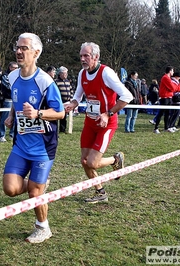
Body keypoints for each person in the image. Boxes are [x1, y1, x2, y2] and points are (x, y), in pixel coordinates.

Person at [2, 33, 65, 243]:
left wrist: (38, 114)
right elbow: (15, 100)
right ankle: (38, 184)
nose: (19, 51)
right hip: (20, 145)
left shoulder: (45, 81)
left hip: (42, 148)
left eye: (24, 48)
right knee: (10, 188)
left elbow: (60, 113)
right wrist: (12, 115)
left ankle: (43, 228)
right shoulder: (12, 77)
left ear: (36, 53)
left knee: (34, 194)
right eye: (17, 47)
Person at [64, 42, 133, 204]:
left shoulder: (106, 73)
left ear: (96, 57)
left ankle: (115, 160)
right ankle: (100, 192)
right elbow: (78, 96)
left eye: (86, 56)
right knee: (84, 161)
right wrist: (72, 104)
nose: (82, 59)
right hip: (90, 123)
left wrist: (108, 114)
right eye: (81, 55)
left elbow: (127, 96)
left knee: (93, 163)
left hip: (106, 124)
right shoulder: (82, 73)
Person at [153, 66, 180, 134]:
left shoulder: (168, 78)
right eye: (172, 71)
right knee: (161, 113)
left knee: (167, 113)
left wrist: (179, 86)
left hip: (169, 97)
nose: (173, 72)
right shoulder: (165, 77)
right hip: (164, 97)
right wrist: (178, 86)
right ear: (170, 71)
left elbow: (175, 88)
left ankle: (166, 127)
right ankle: (156, 128)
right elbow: (172, 88)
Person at [0, 62, 18, 142]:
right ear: (10, 68)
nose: (17, 69)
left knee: (15, 117)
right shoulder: (5, 76)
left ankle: (12, 134)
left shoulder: (17, 76)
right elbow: (10, 87)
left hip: (16, 99)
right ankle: (2, 135)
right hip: (8, 99)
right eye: (15, 68)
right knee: (5, 118)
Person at [55, 66, 73, 133]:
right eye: (64, 74)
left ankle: (63, 129)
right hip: (60, 101)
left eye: (66, 74)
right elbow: (56, 92)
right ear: (60, 74)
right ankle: (56, 129)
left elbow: (71, 90)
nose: (66, 75)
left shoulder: (68, 81)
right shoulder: (56, 82)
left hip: (67, 101)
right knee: (58, 115)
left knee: (64, 117)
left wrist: (71, 97)